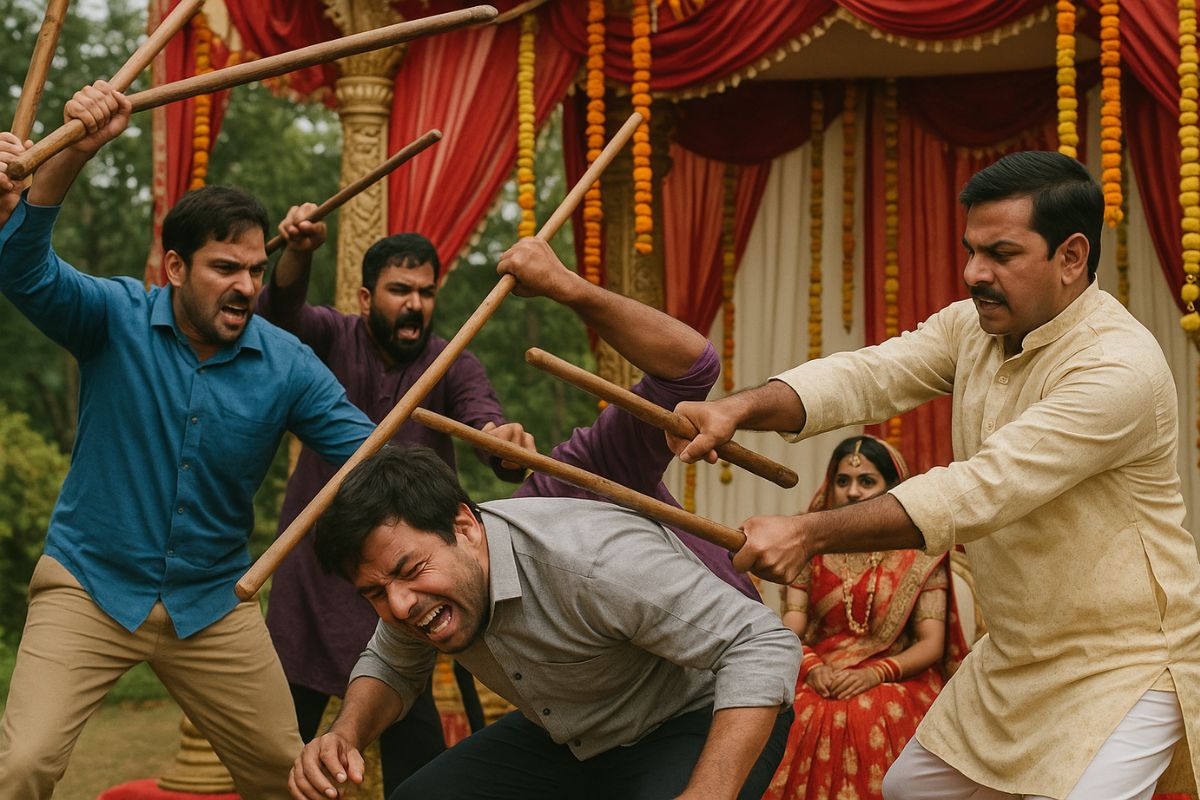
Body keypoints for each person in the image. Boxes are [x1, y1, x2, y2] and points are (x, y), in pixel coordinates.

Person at [670, 151, 1200, 800]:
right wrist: (738, 408)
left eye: (1001, 254)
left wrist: (808, 533)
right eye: (971, 251)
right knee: (912, 790)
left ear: (1071, 256)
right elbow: (869, 375)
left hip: (1128, 664)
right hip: (1014, 661)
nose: (974, 273)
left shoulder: (1118, 367)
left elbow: (982, 488)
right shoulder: (971, 328)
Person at [287, 237, 797, 800]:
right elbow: (391, 659)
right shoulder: (417, 576)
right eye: (377, 592)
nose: (399, 603)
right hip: (574, 730)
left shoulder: (586, 533)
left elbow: (690, 367)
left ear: (465, 525)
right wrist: (345, 734)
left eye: (424, 292)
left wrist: (566, 286)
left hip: (690, 710)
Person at [0, 82, 375, 799]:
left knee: (291, 780)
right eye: (225, 268)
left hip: (212, 603)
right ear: (175, 268)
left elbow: (370, 457)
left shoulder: (289, 364)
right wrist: (76, 150)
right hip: (88, 585)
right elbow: (21, 268)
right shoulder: (114, 317)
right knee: (21, 767)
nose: (246, 287)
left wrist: (486, 460)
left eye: (255, 271)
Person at [259, 209, 527, 791]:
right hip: (316, 577)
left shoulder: (450, 360)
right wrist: (298, 251)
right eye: (400, 290)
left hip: (403, 587)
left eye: (426, 293)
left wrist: (503, 445)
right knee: (285, 754)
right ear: (365, 297)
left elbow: (483, 422)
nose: (415, 304)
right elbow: (279, 315)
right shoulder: (332, 337)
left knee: (418, 758)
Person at [766, 435, 966, 800]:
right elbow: (792, 628)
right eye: (843, 481)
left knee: (865, 712)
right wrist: (812, 667)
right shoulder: (809, 547)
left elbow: (931, 644)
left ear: (893, 491)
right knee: (795, 709)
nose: (853, 492)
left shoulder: (921, 555)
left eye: (867, 481)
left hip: (896, 674)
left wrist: (874, 673)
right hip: (819, 669)